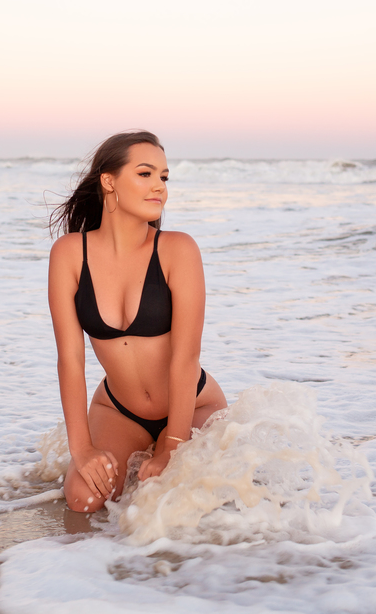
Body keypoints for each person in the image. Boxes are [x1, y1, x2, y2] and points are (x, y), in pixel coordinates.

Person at [48, 130, 227, 513]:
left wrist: (173, 444)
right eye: (145, 174)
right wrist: (81, 450)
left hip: (192, 404)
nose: (159, 187)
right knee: (84, 499)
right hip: (118, 409)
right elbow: (70, 359)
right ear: (109, 181)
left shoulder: (177, 250)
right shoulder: (69, 254)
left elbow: (185, 357)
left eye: (164, 177)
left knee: (177, 501)